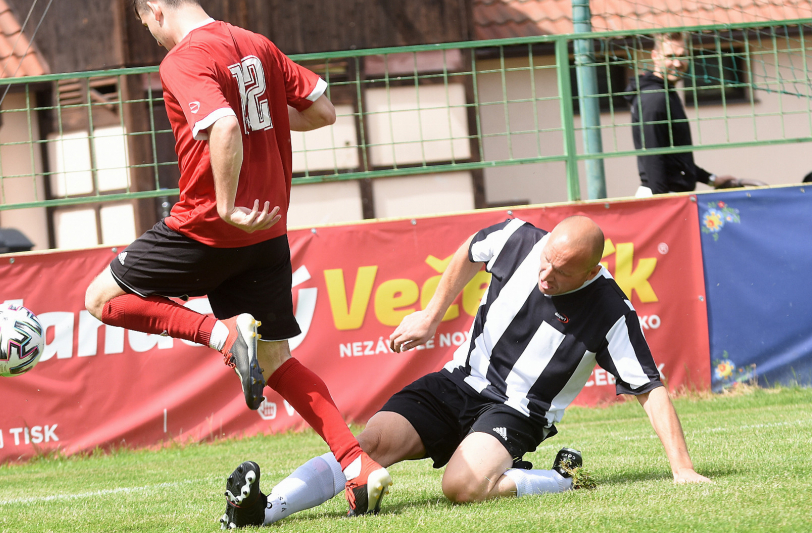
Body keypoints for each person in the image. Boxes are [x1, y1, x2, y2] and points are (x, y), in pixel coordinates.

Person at [83, 0, 390, 517]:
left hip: (208, 226)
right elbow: (323, 110)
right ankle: (356, 464)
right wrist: (265, 122)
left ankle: (221, 337)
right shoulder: (258, 45)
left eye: (147, 25)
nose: (152, 34)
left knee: (100, 300)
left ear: (156, 11)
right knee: (276, 362)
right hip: (269, 231)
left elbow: (222, 125)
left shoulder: (183, 59)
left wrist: (225, 203)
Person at [220, 215, 711, 528]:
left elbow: (651, 389)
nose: (545, 276)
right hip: (460, 380)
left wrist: (681, 469)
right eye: (545, 263)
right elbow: (469, 252)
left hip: (517, 411)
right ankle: (261, 512)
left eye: (561, 273)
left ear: (590, 273)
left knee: (460, 488)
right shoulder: (519, 237)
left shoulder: (610, 310)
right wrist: (430, 315)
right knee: (369, 444)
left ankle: (564, 477)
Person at [626, 32, 738, 196]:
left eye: (682, 56)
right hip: (662, 195)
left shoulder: (665, 92)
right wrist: (663, 201)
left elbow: (676, 158)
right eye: (670, 56)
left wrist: (711, 179)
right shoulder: (655, 98)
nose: (677, 63)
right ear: (655, 56)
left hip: (668, 193)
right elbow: (653, 155)